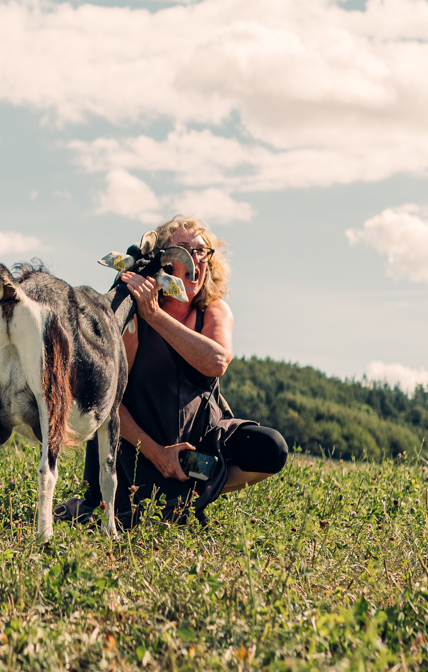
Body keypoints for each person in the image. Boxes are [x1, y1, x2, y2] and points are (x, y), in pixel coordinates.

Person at [78, 215, 286, 527]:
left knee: (270, 449)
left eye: (201, 251)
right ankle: (108, 501)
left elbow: (216, 361)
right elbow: (109, 403)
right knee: (132, 518)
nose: (194, 257)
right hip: (142, 448)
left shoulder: (213, 310)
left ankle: (195, 486)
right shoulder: (133, 318)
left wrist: (156, 315)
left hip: (194, 448)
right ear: (162, 261)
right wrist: (158, 453)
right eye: (183, 249)